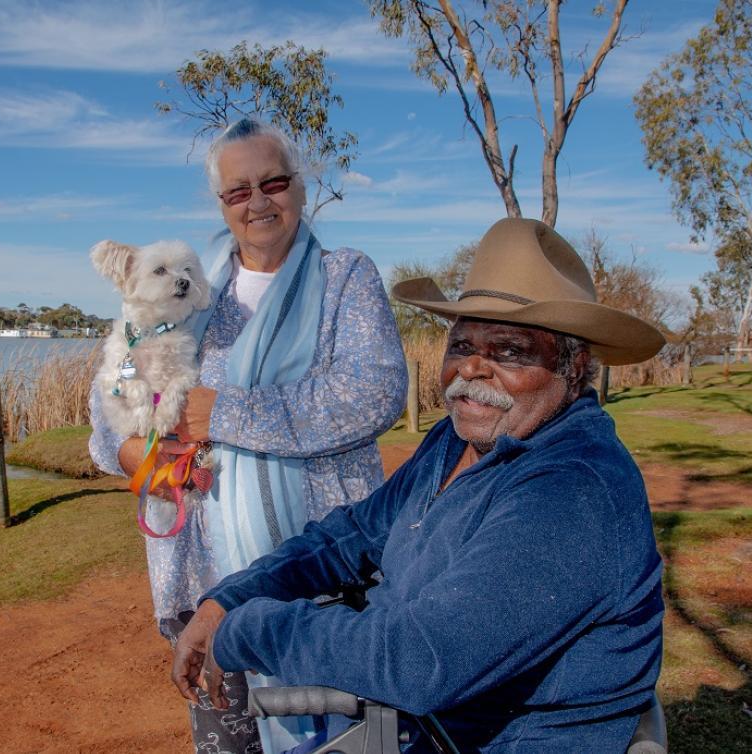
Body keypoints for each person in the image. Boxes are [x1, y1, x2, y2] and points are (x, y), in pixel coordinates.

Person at [172, 218, 667, 753]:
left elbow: (418, 659)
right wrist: (230, 599)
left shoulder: (574, 490)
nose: (472, 368)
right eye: (462, 346)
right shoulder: (456, 441)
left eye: (509, 351)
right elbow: (356, 533)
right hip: (418, 727)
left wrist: (248, 631)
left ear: (574, 368)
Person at [88, 118, 407, 753]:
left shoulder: (346, 278)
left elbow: (372, 394)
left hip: (315, 574)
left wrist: (223, 413)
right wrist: (131, 455)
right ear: (222, 204)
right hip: (198, 574)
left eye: (273, 182)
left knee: (336, 739)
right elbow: (113, 394)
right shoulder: (184, 286)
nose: (258, 202)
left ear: (301, 188)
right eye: (238, 191)